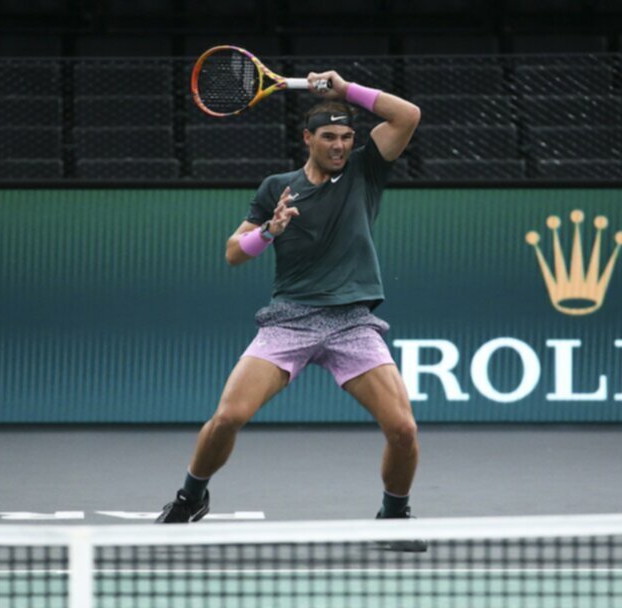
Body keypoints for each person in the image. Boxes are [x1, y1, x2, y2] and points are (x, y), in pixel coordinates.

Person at [156, 70, 424, 543]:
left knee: (402, 427)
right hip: (290, 319)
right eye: (329, 137)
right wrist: (269, 231)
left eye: (346, 136)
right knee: (228, 417)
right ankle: (192, 497)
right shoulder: (276, 187)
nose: (340, 145)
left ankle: (394, 516)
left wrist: (346, 91)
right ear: (308, 138)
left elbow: (408, 115)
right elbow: (234, 253)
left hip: (352, 322)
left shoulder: (367, 168)